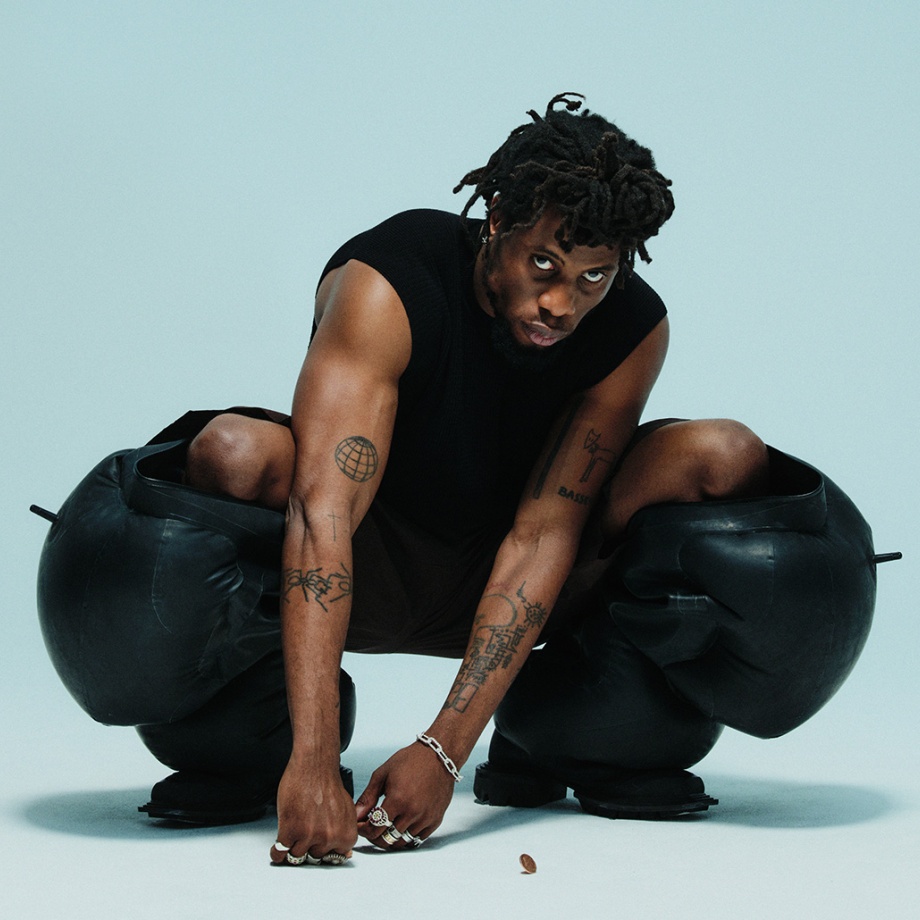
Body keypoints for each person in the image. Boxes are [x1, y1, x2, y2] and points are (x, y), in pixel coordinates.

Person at [33, 92, 881, 868]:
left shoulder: (630, 328)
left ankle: (561, 731)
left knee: (722, 453)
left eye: (592, 276)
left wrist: (445, 748)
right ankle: (262, 736)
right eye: (544, 264)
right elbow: (323, 511)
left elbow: (544, 532)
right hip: (365, 553)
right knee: (233, 452)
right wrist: (313, 758)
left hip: (520, 568)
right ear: (497, 220)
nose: (563, 304)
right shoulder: (389, 283)